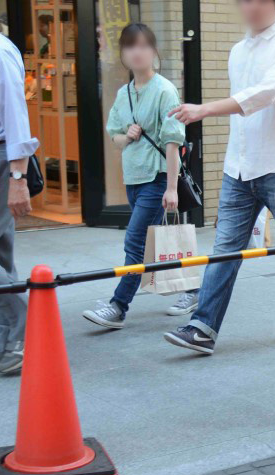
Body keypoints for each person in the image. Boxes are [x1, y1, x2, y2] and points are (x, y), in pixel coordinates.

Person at [164, 0, 275, 355]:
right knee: (225, 249)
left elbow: (267, 93)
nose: (249, 6)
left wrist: (206, 108)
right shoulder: (238, 51)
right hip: (238, 168)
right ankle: (203, 327)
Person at [83, 23, 194, 330]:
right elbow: (115, 136)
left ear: (154, 51)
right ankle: (196, 289)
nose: (137, 52)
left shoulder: (164, 91)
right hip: (133, 178)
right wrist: (128, 136)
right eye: (131, 46)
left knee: (134, 243)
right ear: (123, 53)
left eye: (144, 45)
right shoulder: (124, 93)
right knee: (149, 242)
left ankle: (118, 307)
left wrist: (171, 188)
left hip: (157, 179)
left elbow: (174, 141)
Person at [0, 32, 38, 374]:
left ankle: (26, 332)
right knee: (1, 252)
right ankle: (9, 344)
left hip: (1, 158)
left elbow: (16, 117)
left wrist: (17, 178)